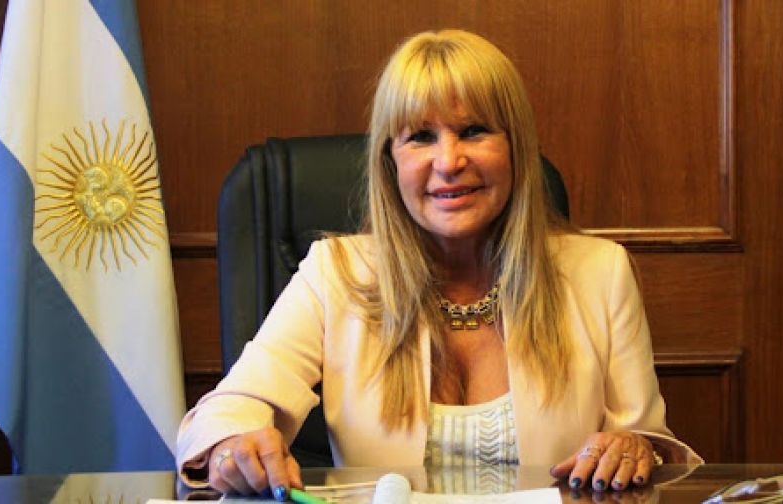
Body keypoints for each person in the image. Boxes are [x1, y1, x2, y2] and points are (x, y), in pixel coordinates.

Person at [176, 29, 701, 497]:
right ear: (391, 160)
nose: (449, 162)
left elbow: (650, 445)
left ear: (516, 148)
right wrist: (232, 444)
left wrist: (635, 449)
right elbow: (229, 409)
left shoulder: (602, 272)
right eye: (421, 137)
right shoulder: (334, 272)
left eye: (474, 130)